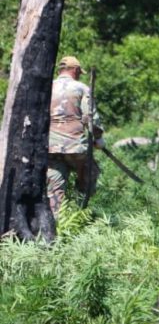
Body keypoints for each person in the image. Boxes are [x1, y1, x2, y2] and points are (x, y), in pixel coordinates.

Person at [47, 55, 104, 217]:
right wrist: (98, 138)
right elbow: (90, 116)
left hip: (50, 147)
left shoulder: (47, 87)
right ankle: (79, 213)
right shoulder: (81, 88)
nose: (79, 75)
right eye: (79, 72)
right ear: (75, 70)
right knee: (90, 172)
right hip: (74, 146)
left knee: (54, 190)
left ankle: (55, 221)